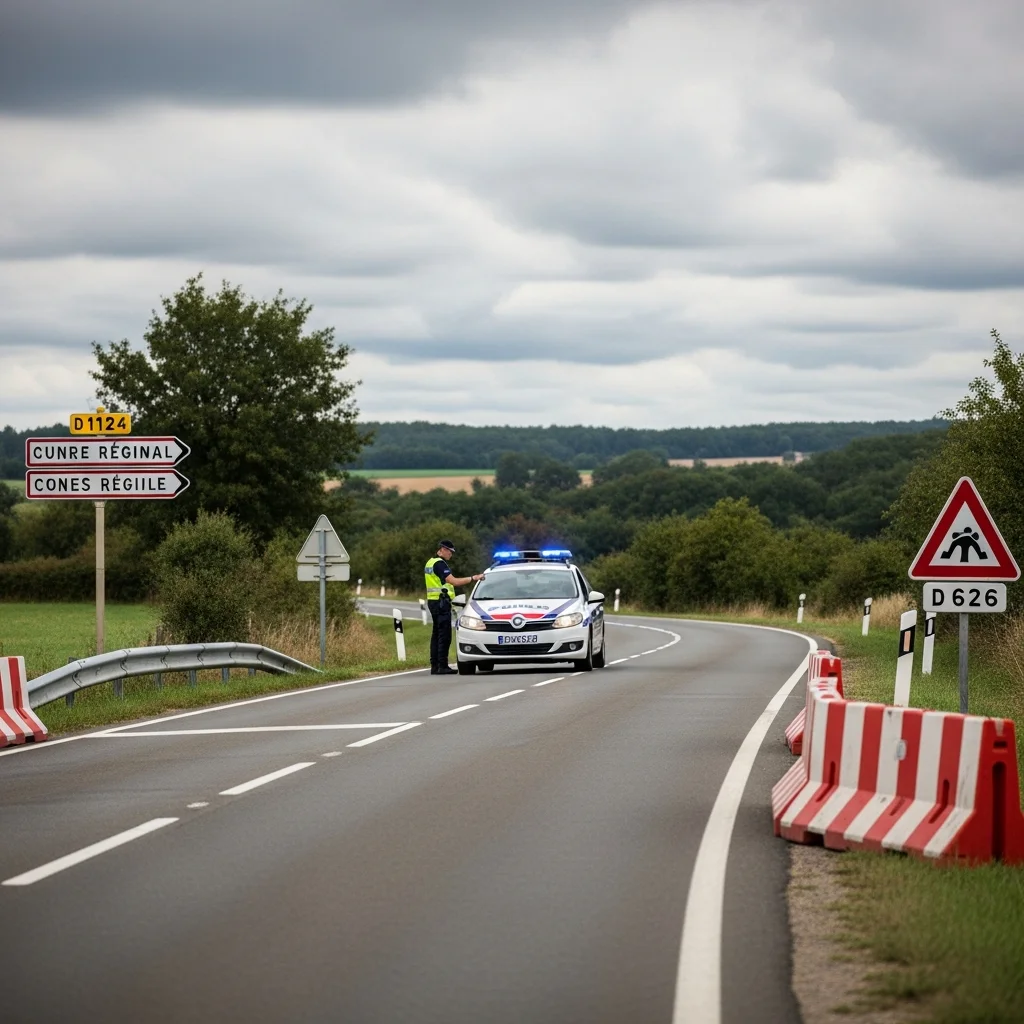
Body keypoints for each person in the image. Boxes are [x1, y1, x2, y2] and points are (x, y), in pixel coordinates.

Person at [424, 540, 484, 674]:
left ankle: (435, 666)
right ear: (443, 549)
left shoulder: (430, 562)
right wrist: (473, 578)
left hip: (434, 601)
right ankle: (442, 666)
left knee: (436, 634)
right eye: (450, 551)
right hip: (441, 603)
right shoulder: (439, 564)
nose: (451, 554)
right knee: (444, 635)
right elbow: (454, 581)